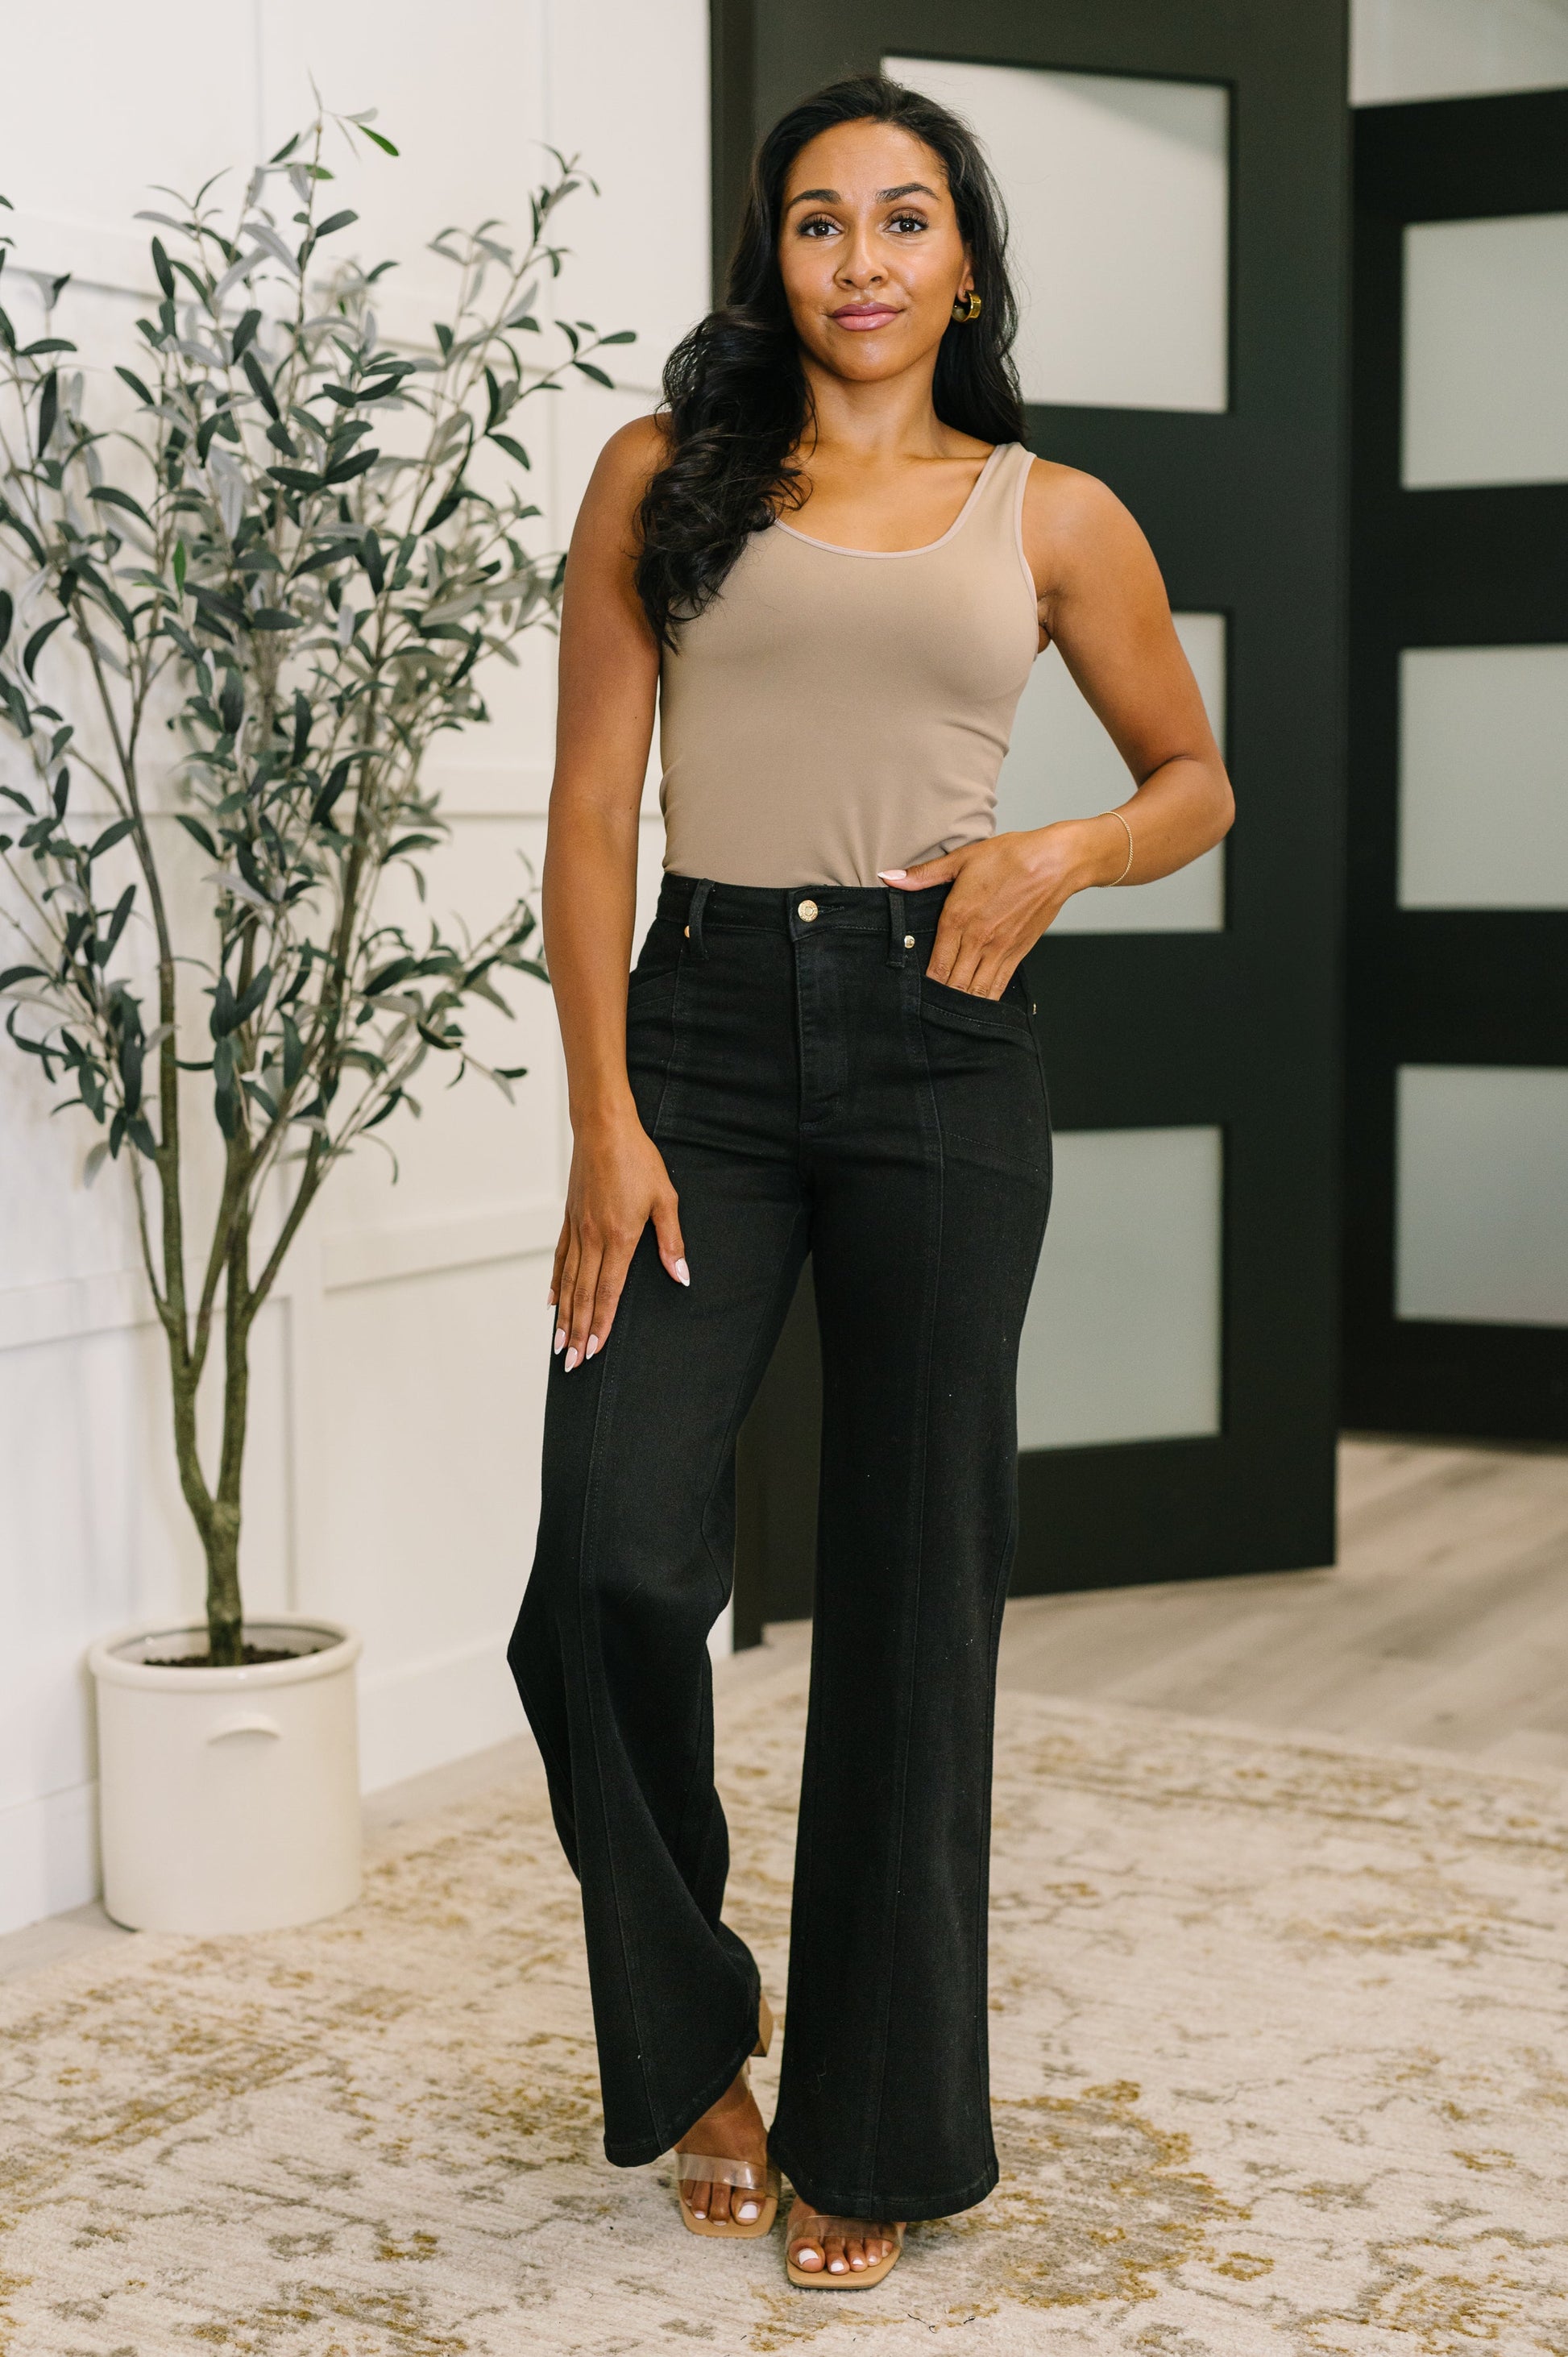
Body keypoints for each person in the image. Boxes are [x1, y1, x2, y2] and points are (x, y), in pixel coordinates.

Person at [508, 70, 1233, 2291]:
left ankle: (881, 2129)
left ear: (965, 263)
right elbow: (585, 813)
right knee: (611, 1567)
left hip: (939, 1036)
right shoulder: (664, 477)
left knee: (917, 1590)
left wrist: (1061, 849)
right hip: (704, 1030)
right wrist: (604, 1122)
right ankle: (697, 2045)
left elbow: (1192, 778)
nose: (857, 258)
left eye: (900, 219)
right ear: (776, 259)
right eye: (816, 222)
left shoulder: (1057, 514)